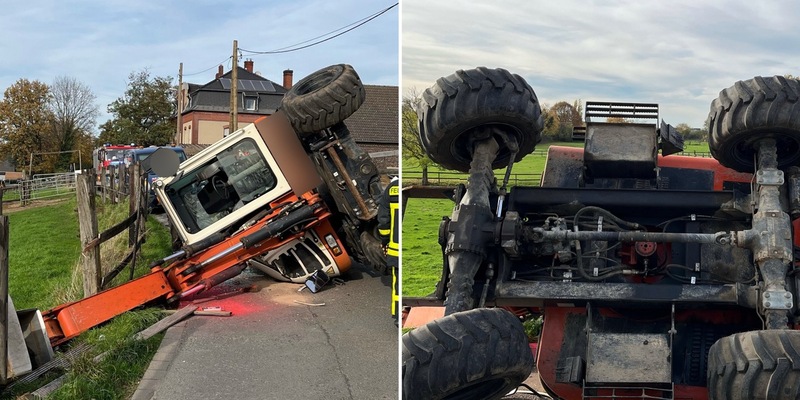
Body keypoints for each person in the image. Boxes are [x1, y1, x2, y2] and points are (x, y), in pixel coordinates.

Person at [378, 176, 399, 324]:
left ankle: (398, 316)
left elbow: (384, 221)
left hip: (396, 249)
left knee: (397, 284)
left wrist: (384, 241)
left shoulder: (391, 189)